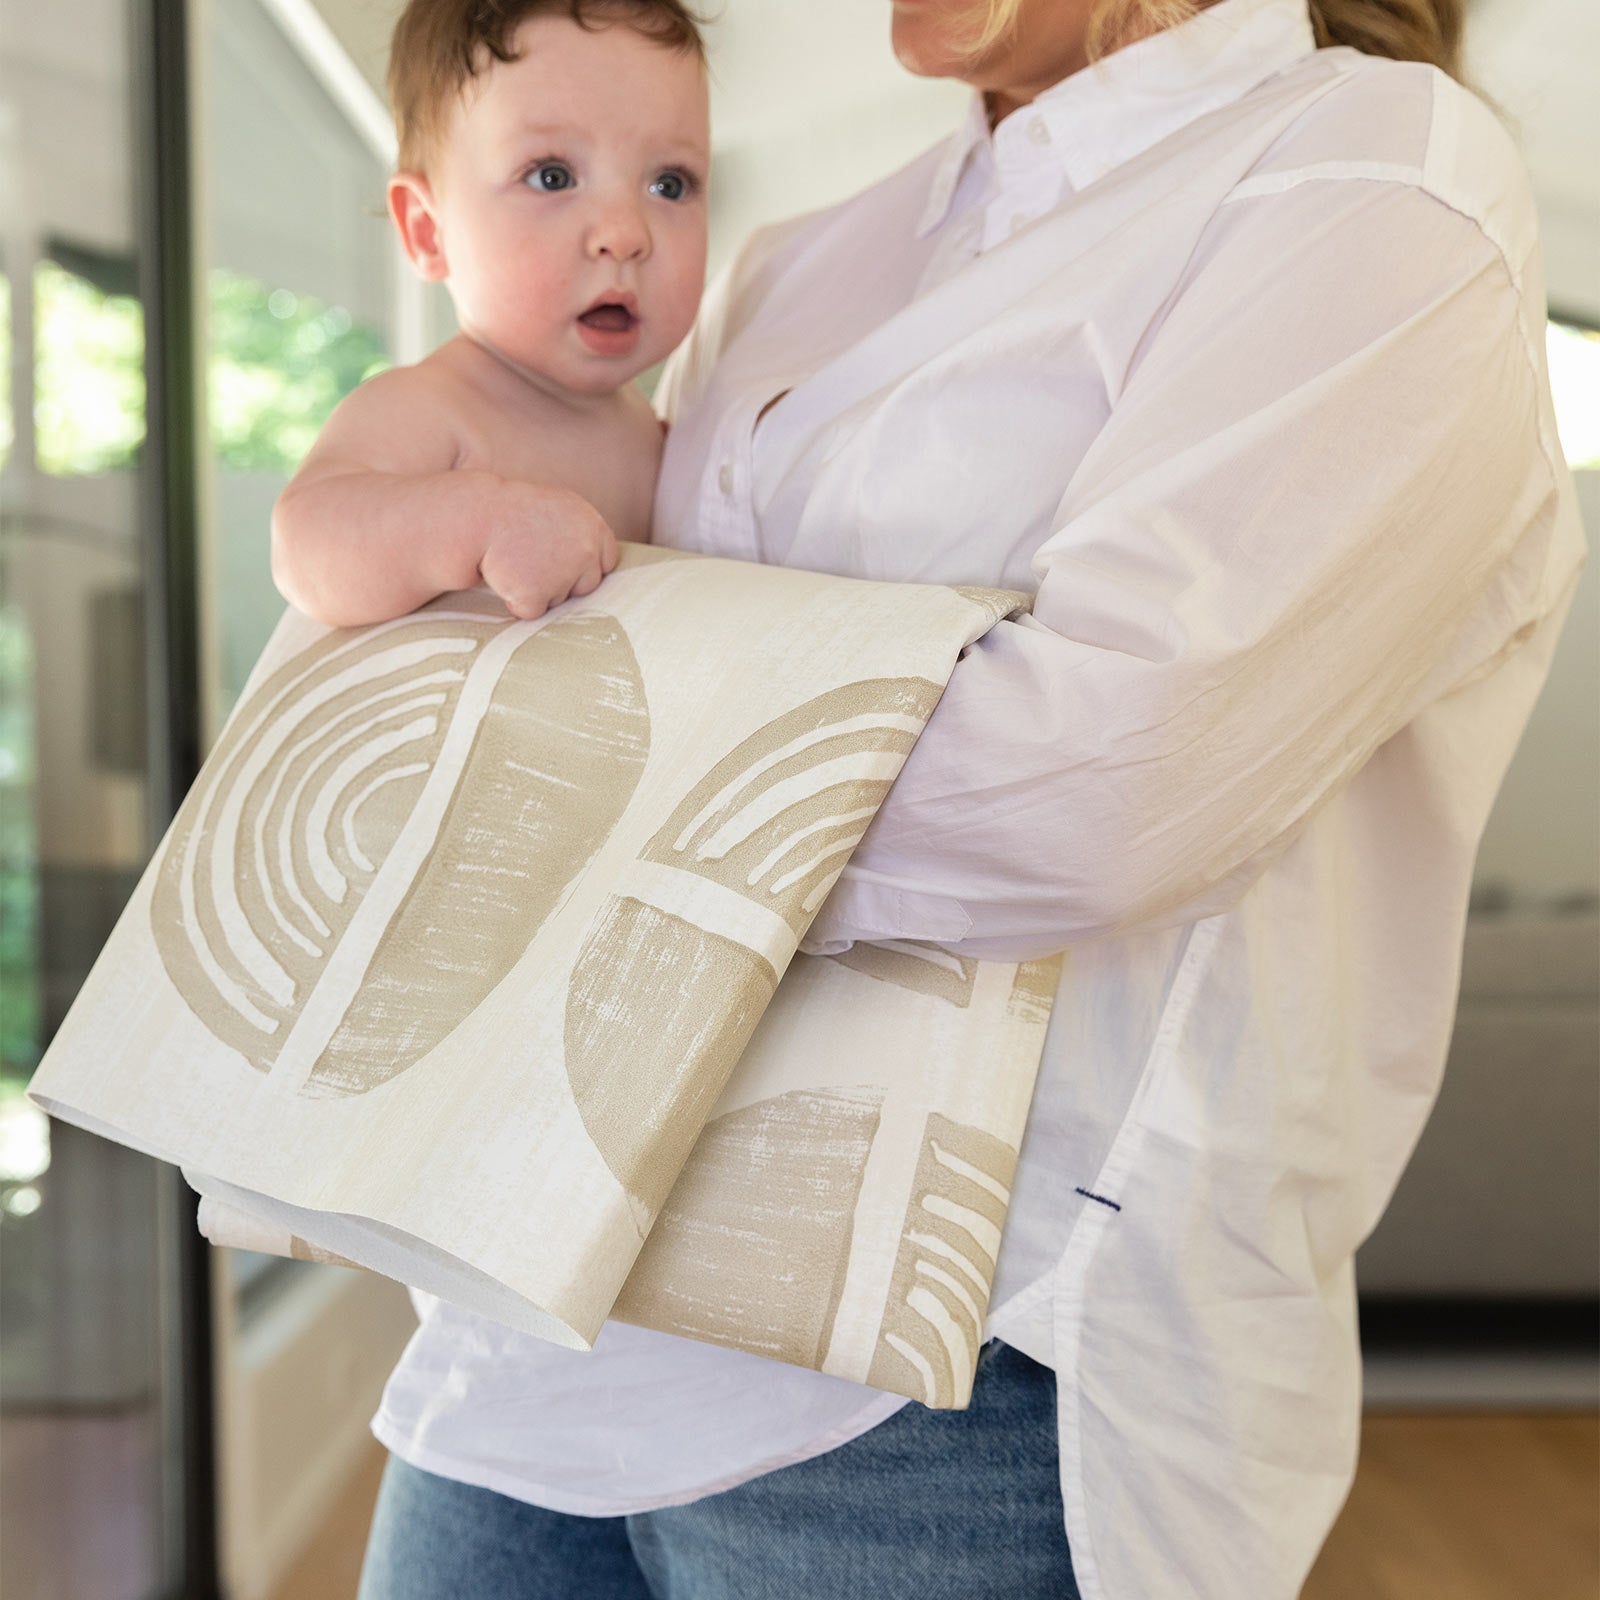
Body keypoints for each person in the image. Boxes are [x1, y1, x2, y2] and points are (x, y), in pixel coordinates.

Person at [358, 0, 1586, 1596]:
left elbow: (1095, 783)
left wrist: (532, 805)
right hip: (538, 1297)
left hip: (954, 1378)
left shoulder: (1372, 174)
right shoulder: (800, 261)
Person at [269, 0, 710, 630]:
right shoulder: (430, 408)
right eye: (553, 177)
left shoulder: (652, 430)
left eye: (670, 184)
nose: (624, 233)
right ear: (428, 231)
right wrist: (477, 521)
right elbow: (304, 545)